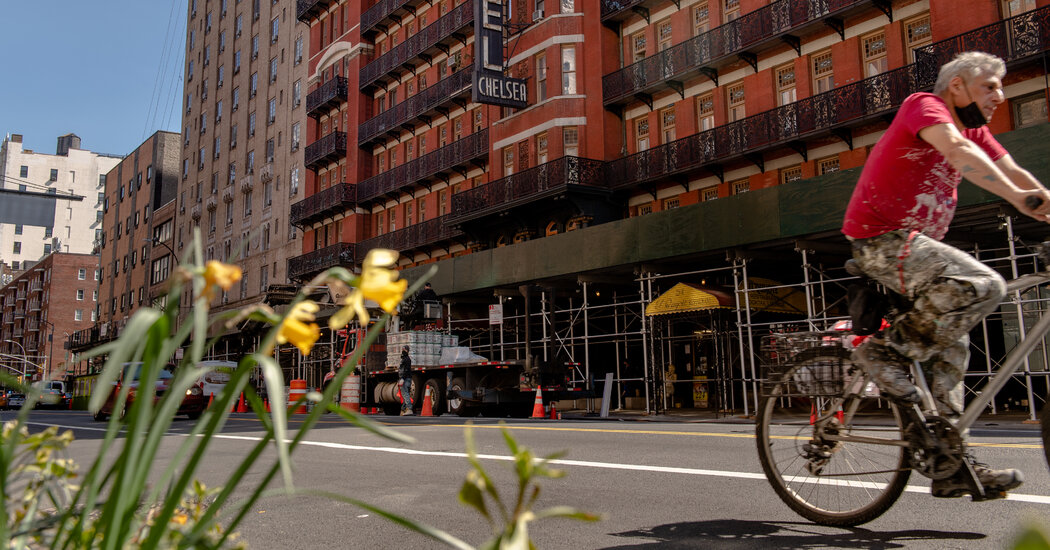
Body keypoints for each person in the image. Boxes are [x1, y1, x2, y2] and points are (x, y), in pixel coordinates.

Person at [842, 51, 1050, 499]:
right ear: (957, 85)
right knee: (985, 286)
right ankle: (884, 352)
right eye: (990, 85)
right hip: (882, 239)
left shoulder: (974, 128)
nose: (1001, 94)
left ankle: (948, 461)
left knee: (952, 346)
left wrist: (1038, 196)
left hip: (916, 248)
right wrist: (1018, 199)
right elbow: (959, 152)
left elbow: (1012, 169)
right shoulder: (925, 105)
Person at [399, 346, 414, 416]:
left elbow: (406, 370)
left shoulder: (407, 359)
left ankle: (409, 409)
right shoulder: (404, 359)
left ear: (407, 350)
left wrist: (403, 378)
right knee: (405, 394)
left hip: (406, 379)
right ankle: (403, 409)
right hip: (405, 378)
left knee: (405, 393)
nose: (402, 350)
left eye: (403, 349)